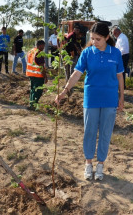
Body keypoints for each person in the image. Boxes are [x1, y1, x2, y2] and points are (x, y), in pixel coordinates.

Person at [55, 22, 124, 181]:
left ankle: (100, 164)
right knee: (90, 131)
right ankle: (88, 163)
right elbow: (76, 74)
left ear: (107, 37)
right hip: (91, 98)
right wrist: (64, 91)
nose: (94, 42)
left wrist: (122, 97)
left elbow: (120, 76)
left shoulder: (115, 54)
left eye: (98, 39)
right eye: (92, 39)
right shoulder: (87, 53)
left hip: (110, 99)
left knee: (105, 132)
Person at [26, 40, 48, 109]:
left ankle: (31, 104)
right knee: (38, 91)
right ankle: (33, 105)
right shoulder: (39, 53)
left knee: (33, 89)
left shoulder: (31, 51)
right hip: (38, 75)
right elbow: (41, 67)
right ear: (40, 45)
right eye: (43, 46)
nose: (44, 47)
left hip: (30, 74)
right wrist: (45, 77)